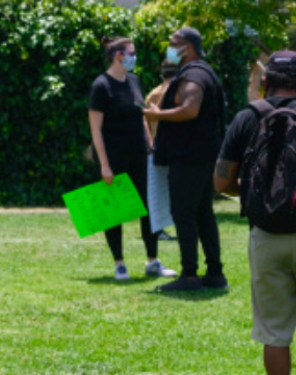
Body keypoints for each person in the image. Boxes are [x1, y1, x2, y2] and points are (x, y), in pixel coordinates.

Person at [215, 51, 296, 375]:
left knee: (275, 333)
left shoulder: (250, 115)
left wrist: (250, 192)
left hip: (266, 237)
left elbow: (220, 182)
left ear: (267, 82)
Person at [144, 27, 227, 292]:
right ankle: (215, 273)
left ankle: (189, 275)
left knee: (185, 214)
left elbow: (190, 109)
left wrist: (158, 115)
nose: (169, 48)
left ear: (188, 47)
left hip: (190, 157)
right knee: (203, 213)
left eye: (174, 44)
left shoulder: (194, 74)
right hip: (203, 156)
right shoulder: (204, 71)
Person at [88, 37, 175, 281]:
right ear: (118, 55)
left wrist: (150, 147)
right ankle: (119, 264)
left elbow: (141, 118)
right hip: (113, 157)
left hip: (139, 154)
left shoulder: (134, 81)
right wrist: (104, 165)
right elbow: (95, 130)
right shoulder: (101, 86)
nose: (134, 57)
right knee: (114, 211)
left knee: (149, 208)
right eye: (131, 52)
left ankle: (153, 261)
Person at [145, 61, 179, 242]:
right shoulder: (180, 91)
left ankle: (159, 228)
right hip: (177, 146)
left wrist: (149, 143)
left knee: (158, 191)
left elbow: (145, 120)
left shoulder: (153, 94)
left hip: (157, 147)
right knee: (177, 190)